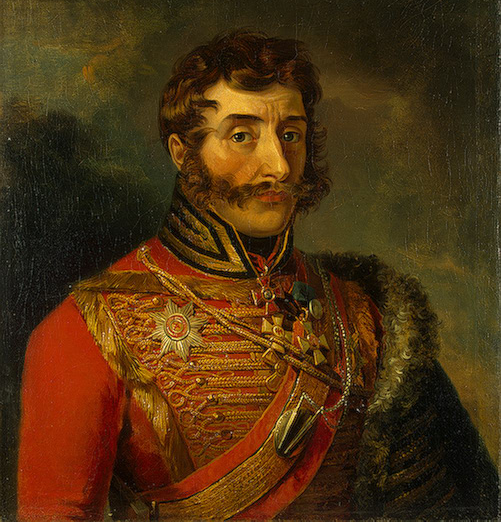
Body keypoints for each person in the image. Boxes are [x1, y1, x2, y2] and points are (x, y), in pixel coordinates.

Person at [17, 30, 498, 520]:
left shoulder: (365, 311)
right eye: (242, 136)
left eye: (290, 135)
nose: (279, 166)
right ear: (183, 152)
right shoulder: (87, 326)